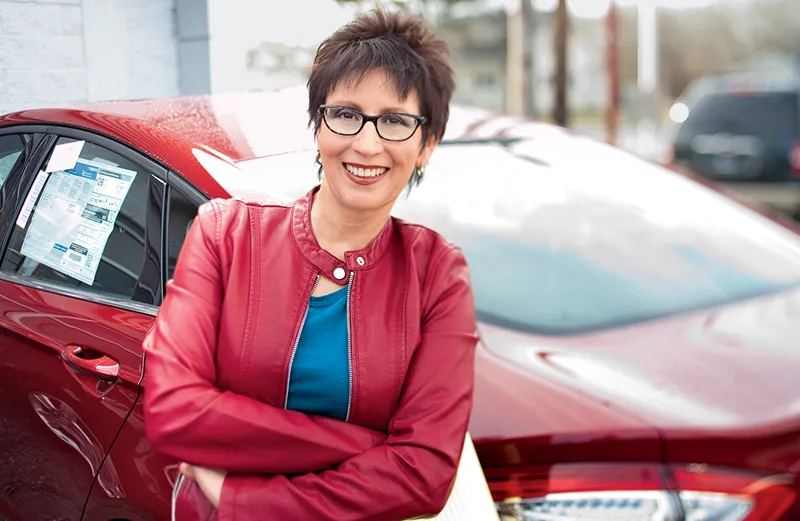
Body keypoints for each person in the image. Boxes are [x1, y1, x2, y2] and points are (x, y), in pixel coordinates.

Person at [143, 8, 478, 520]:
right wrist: (375, 451)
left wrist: (244, 498)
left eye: (395, 121)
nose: (366, 143)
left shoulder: (437, 274)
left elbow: (427, 478)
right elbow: (172, 412)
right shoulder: (223, 235)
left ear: (426, 144)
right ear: (318, 126)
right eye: (346, 113)